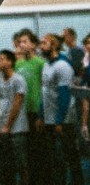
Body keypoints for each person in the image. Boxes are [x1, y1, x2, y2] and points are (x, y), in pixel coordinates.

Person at [39, 32, 84, 185]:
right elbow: (44, 92)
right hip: (50, 119)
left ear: (54, 45)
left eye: (44, 43)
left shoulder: (63, 66)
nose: (41, 46)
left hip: (64, 120)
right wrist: (41, 115)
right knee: (55, 159)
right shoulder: (46, 65)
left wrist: (59, 120)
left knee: (70, 156)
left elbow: (64, 95)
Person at [0, 48, 29, 185]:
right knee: (6, 165)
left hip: (17, 129)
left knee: (21, 164)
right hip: (2, 130)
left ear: (10, 62)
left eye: (1, 59)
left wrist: (8, 126)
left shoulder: (18, 80)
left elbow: (17, 105)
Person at [14, 30, 46, 185]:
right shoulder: (18, 64)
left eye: (25, 41)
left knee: (38, 148)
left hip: (36, 111)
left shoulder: (40, 63)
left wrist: (41, 114)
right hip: (22, 112)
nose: (22, 45)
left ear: (33, 44)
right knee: (26, 150)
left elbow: (44, 88)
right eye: (20, 42)